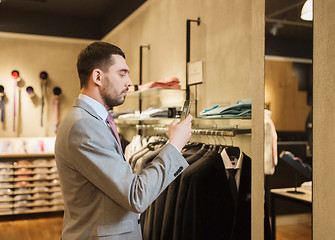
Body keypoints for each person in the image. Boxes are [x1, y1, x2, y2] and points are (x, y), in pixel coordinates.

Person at [55, 41, 193, 240]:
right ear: (98, 77)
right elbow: (135, 195)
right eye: (122, 74)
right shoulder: (84, 126)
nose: (129, 82)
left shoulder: (91, 121)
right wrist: (175, 145)